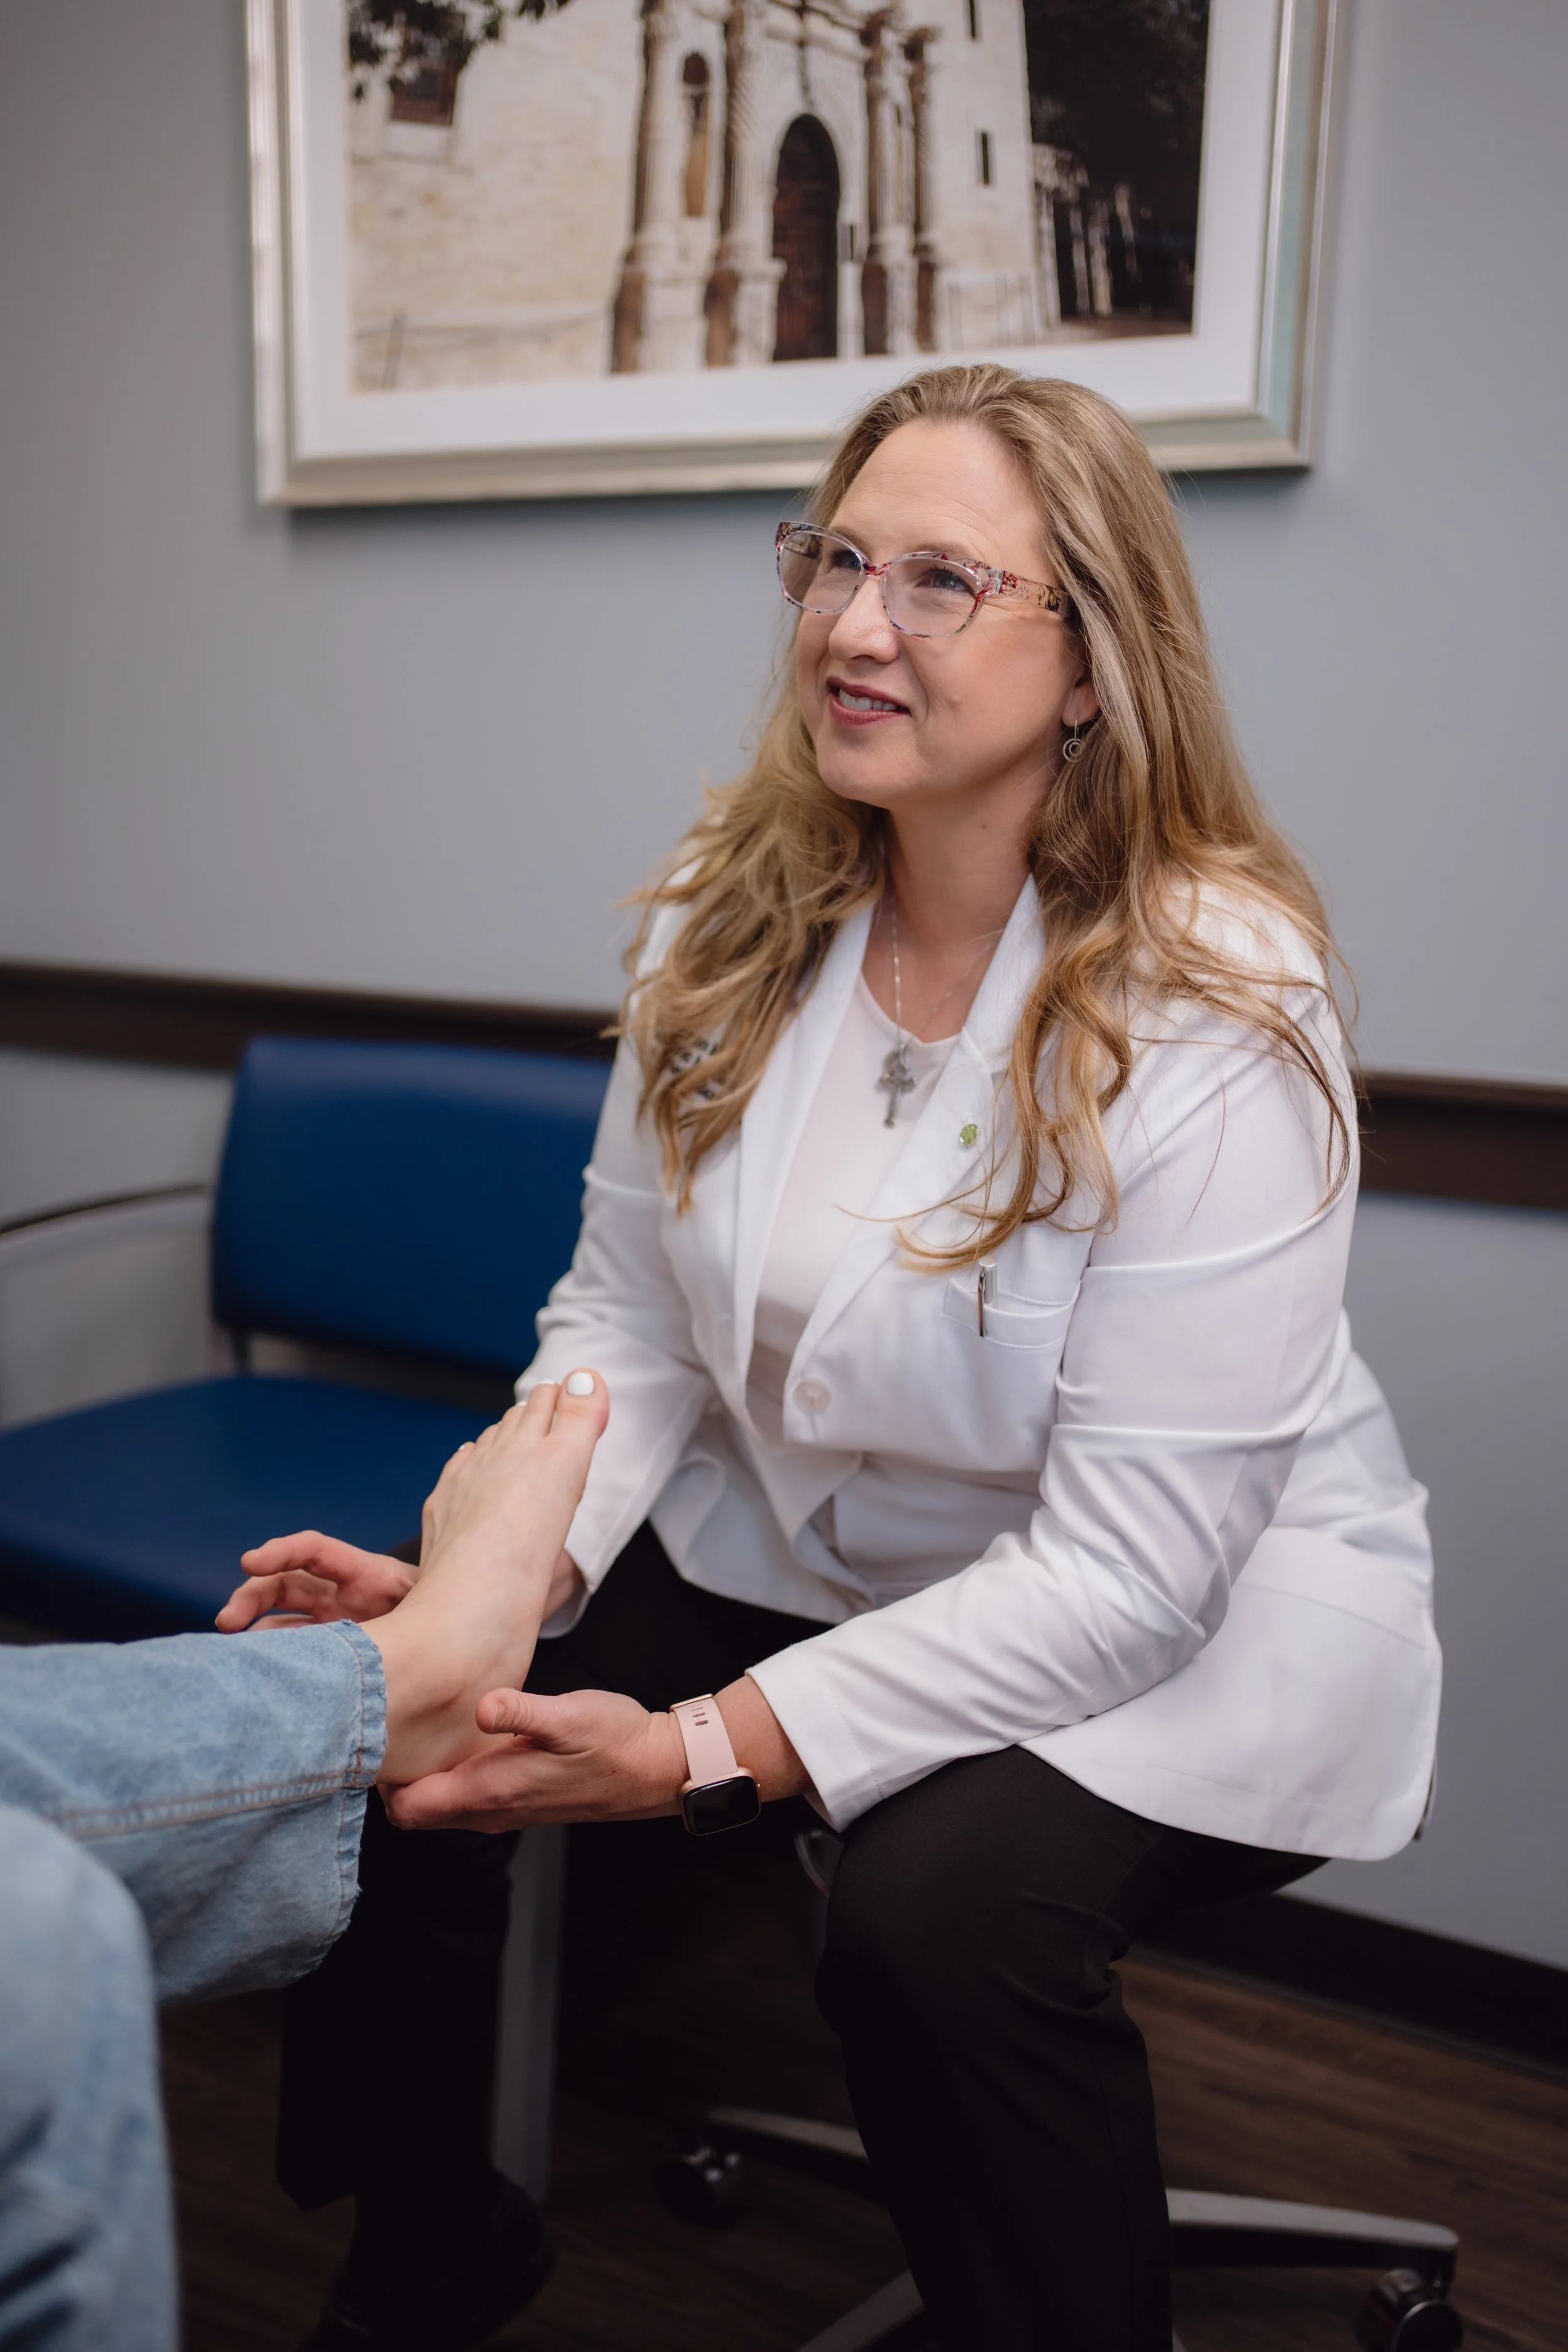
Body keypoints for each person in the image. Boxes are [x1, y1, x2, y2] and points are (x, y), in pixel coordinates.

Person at [236, 364, 1439, 2352]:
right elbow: (621, 1323)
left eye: (944, 580)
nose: (855, 625)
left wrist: (702, 1750)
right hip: (819, 1536)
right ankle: (431, 2233)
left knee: (935, 1922)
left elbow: (1131, 1569)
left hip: (1191, 1596)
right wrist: (494, 1585)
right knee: (399, 1723)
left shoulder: (1219, 995)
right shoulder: (730, 917)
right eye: (836, 558)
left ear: (1089, 662)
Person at [0, 1372, 608, 2352]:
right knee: (31, 1902)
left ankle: (396, 1684)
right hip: (663, 1506)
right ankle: (396, 1685)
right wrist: (553, 1556)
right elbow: (614, 1338)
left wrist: (698, 1748)